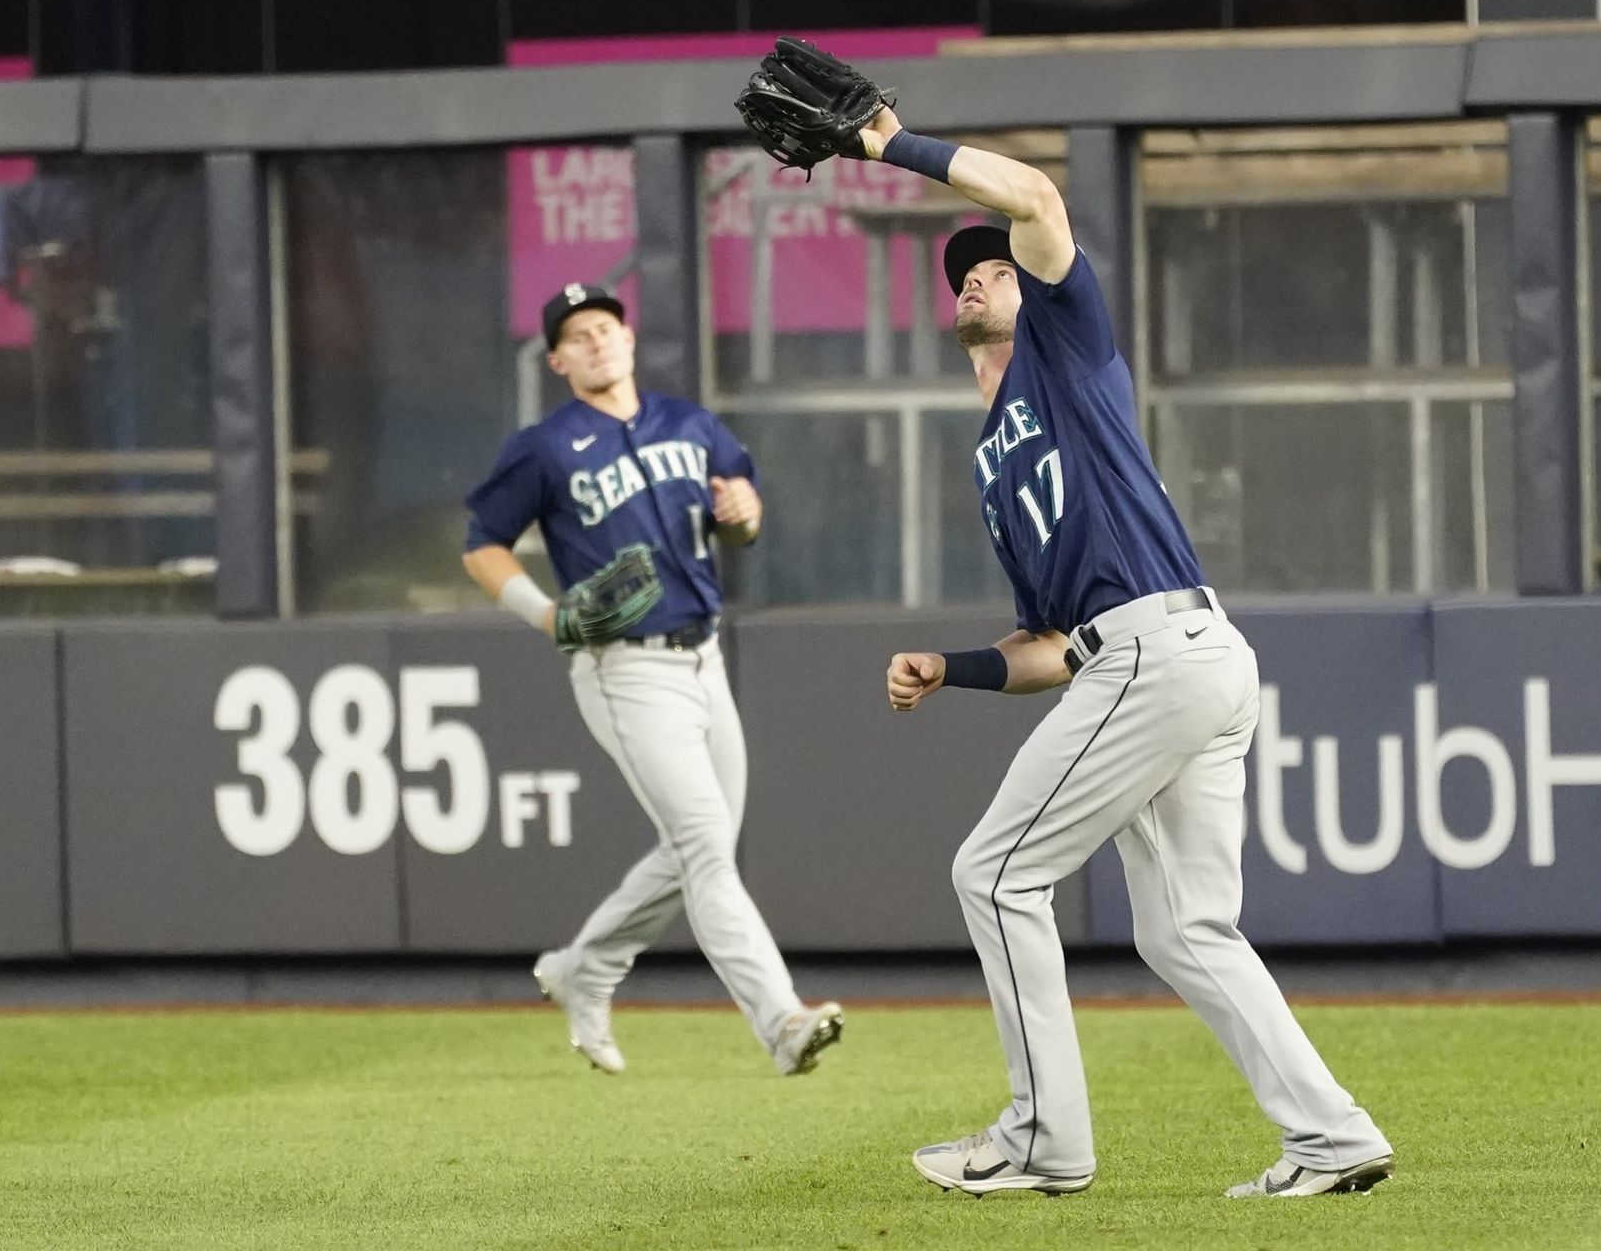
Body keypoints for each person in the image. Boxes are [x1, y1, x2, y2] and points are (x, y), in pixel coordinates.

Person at [856, 110, 1394, 1196]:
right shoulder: (995, 458)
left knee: (994, 873)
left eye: (996, 269)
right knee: (1187, 930)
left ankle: (1043, 1139)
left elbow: (1035, 198)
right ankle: (1331, 1137)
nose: (978, 278)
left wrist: (891, 144)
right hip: (1164, 658)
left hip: (1161, 651)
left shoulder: (1070, 353)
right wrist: (955, 668)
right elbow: (1051, 648)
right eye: (964, 275)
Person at [461, 283, 843, 1078]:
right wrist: (546, 614)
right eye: (577, 335)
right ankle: (781, 1021)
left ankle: (584, 968)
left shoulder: (690, 425)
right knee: (704, 846)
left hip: (705, 656)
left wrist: (743, 513)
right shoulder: (543, 447)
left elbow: (743, 516)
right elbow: (482, 545)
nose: (596, 341)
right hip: (624, 667)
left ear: (629, 340)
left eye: (606, 326)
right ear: (558, 361)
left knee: (698, 848)